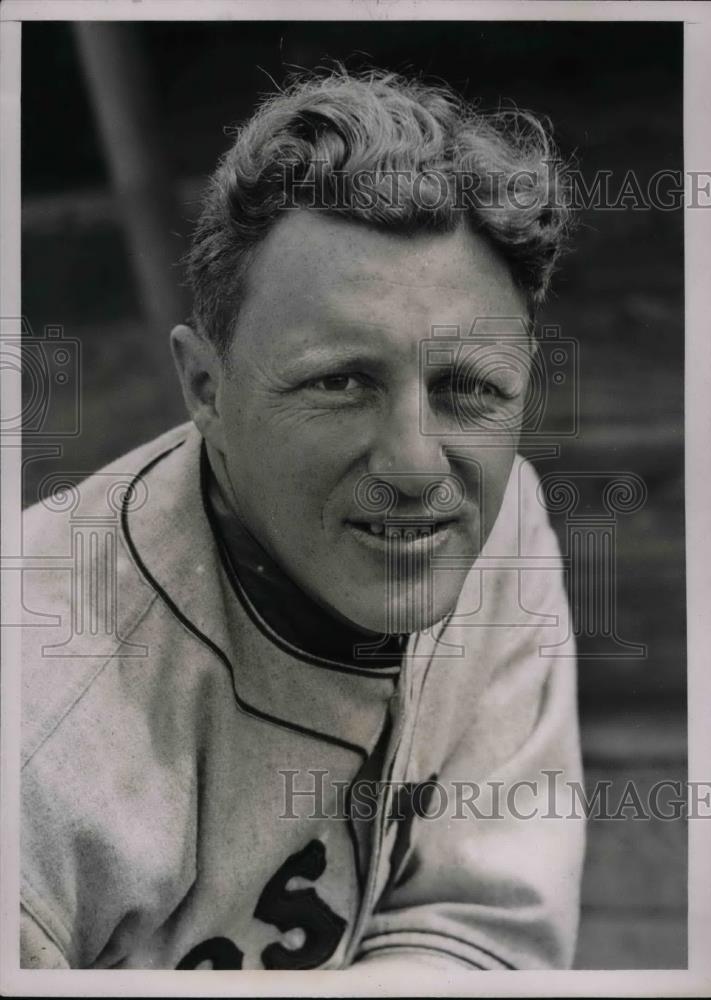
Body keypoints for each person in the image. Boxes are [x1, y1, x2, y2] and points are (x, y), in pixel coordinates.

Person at [20, 68, 584, 971]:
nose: (415, 466)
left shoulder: (502, 517)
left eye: (467, 388)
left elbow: (477, 926)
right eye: (340, 382)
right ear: (206, 388)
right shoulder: (36, 723)